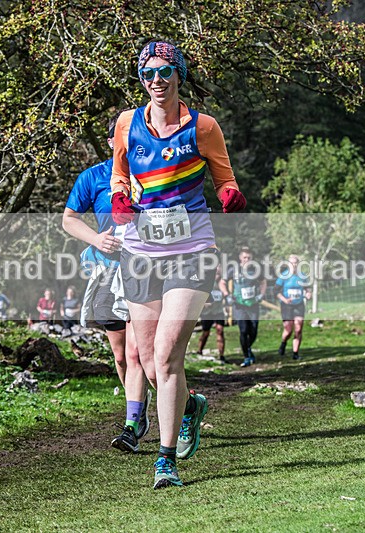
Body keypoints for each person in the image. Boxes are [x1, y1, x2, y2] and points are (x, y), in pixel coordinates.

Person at [110, 41, 247, 488]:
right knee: (148, 364)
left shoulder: (203, 127)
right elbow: (120, 172)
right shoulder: (127, 123)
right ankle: (190, 406)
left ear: (178, 75)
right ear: (140, 78)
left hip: (192, 250)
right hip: (140, 250)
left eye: (165, 72)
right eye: (147, 73)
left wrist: (228, 194)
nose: (156, 81)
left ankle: (165, 462)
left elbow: (224, 176)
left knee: (168, 356)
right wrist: (117, 198)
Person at [62, 113, 149, 451]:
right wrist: (97, 240)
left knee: (138, 351)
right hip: (106, 271)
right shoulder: (94, 177)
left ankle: (130, 424)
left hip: (143, 270)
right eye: (120, 136)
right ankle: (149, 409)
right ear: (112, 141)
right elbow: (69, 220)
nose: (125, 141)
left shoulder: (151, 175)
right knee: (122, 356)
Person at [219, 247, 267, 368]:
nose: (247, 259)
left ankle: (248, 347)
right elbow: (222, 282)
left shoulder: (256, 270)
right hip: (239, 305)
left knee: (254, 330)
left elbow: (263, 282)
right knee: (243, 330)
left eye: (249, 258)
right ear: (240, 258)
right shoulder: (233, 270)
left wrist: (261, 294)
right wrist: (227, 295)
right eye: (245, 257)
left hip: (253, 305)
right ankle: (246, 356)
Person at [275, 255, 310, 360]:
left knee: (298, 329)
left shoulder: (302, 276)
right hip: (286, 306)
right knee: (288, 330)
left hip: (299, 304)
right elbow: (276, 291)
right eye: (292, 263)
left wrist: (308, 294)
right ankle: (283, 343)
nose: (294, 265)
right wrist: (284, 299)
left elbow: (307, 288)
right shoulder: (283, 276)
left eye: (296, 263)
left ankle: (295, 353)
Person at [196, 267, 226, 363]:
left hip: (218, 311)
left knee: (220, 330)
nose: (217, 270)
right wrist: (204, 303)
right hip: (207, 313)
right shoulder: (205, 282)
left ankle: (221, 356)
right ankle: (199, 351)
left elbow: (226, 294)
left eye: (219, 269)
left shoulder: (223, 282)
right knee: (206, 333)